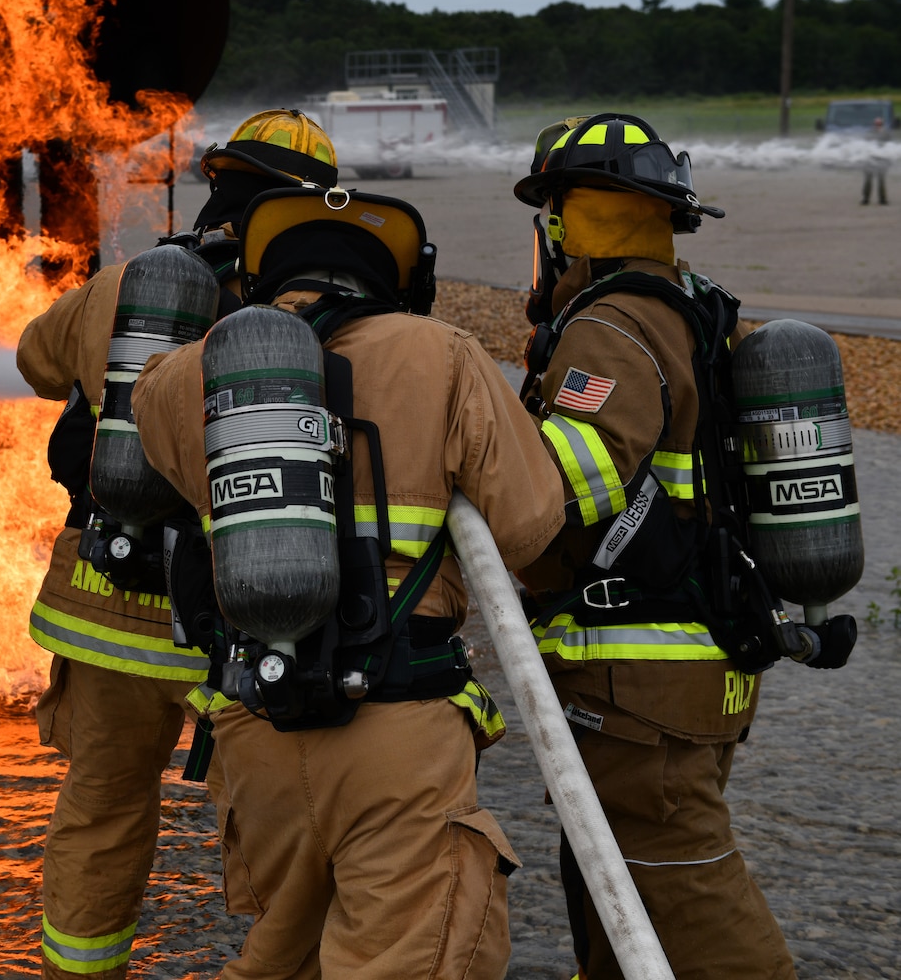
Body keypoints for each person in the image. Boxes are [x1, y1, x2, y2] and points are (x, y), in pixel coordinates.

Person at [129, 183, 565, 978]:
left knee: (282, 953)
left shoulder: (178, 379)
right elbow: (530, 526)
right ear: (401, 279)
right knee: (404, 957)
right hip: (396, 726)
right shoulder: (443, 353)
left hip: (254, 728)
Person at [15, 109, 339, 979]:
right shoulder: (302, 311)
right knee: (276, 832)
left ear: (217, 184)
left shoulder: (128, 286)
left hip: (104, 610)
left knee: (103, 808)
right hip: (234, 617)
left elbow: (36, 364)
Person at [512, 113, 804, 979]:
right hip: (697, 663)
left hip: (637, 683)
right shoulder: (695, 310)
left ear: (564, 222)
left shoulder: (612, 329)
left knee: (692, 901)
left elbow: (565, 489)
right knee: (622, 908)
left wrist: (467, 467)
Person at [862, 115, 889, 206]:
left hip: (882, 160)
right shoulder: (869, 133)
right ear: (873, 124)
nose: (878, 125)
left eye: (880, 124)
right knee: (868, 180)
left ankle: (882, 199)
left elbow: (890, 146)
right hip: (870, 160)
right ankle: (865, 198)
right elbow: (865, 145)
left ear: (882, 124)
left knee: (881, 180)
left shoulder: (886, 133)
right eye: (876, 124)